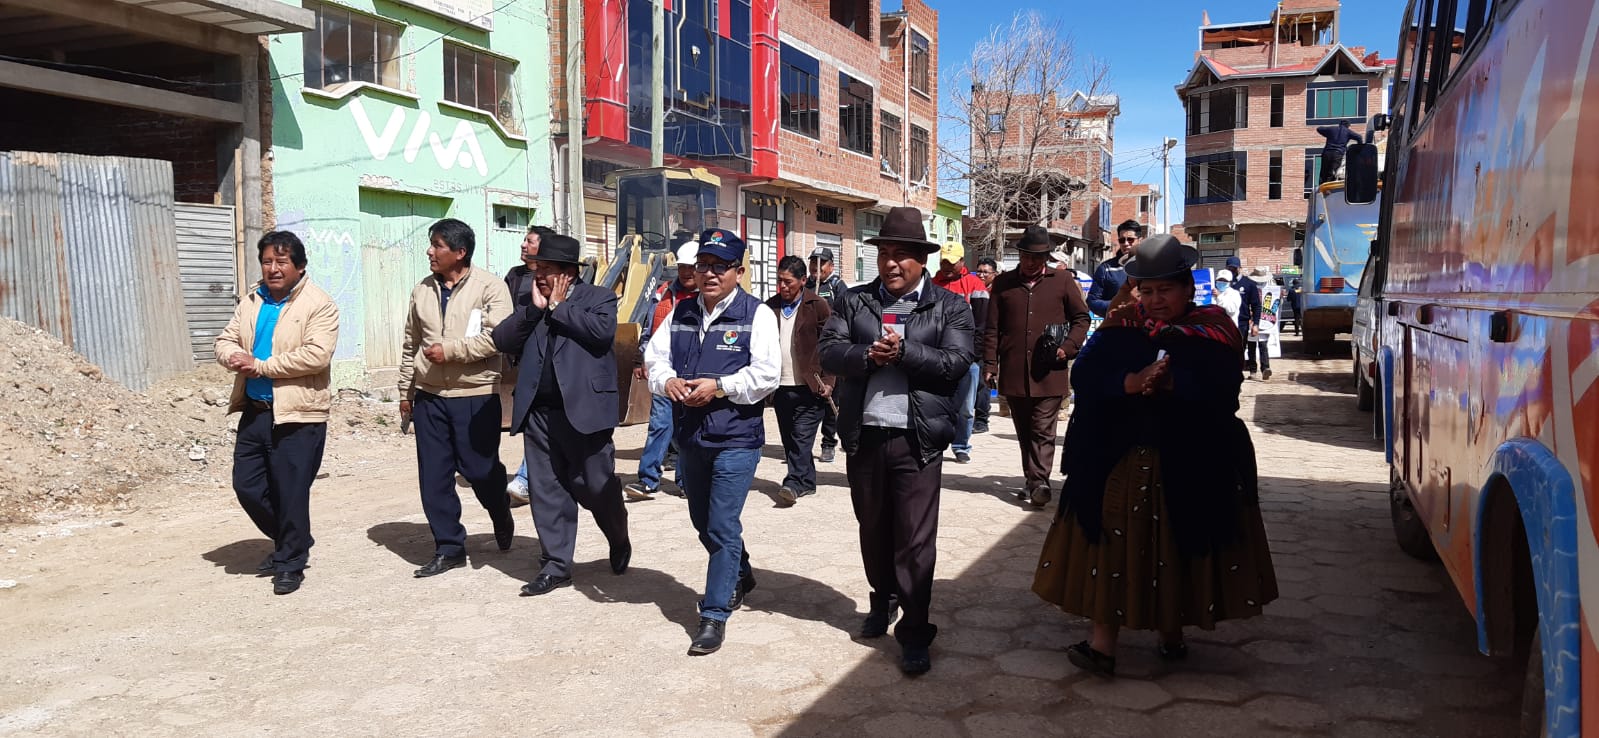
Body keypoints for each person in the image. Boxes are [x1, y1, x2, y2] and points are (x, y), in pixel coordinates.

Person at [1033, 234, 1278, 678]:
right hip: (1120, 459)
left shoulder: (1214, 329)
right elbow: (1086, 376)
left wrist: (1173, 386)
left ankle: (1172, 633)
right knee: (1111, 549)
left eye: (1165, 289)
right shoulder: (1122, 324)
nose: (1155, 299)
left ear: (1188, 288)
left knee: (1180, 544)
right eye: (1147, 290)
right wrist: (1131, 382)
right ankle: (1102, 645)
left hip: (1195, 460)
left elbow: (1226, 390)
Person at [819, 207, 976, 675]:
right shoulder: (854, 301)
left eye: (902, 255)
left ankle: (915, 629)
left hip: (918, 440)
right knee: (874, 528)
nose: (891, 263)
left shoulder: (950, 306)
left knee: (914, 539)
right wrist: (868, 353)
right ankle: (882, 600)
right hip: (865, 435)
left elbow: (958, 360)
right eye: (885, 253)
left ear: (922, 260)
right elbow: (828, 350)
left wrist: (906, 352)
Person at [645, 228, 780, 655]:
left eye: (719, 267)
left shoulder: (755, 314)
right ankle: (741, 571)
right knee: (703, 522)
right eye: (703, 265)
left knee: (722, 524)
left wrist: (719, 386)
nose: (709, 274)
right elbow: (654, 356)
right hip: (691, 437)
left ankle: (714, 614)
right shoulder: (681, 312)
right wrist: (665, 381)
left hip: (736, 438)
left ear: (739, 272)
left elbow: (766, 374)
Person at [491, 232, 631, 595]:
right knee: (546, 489)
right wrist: (536, 308)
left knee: (595, 486)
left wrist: (558, 307)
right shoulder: (531, 300)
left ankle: (618, 535)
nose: (538, 274)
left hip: (585, 413)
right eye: (536, 267)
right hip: (540, 413)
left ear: (569, 273)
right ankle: (556, 565)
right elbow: (503, 340)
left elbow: (601, 334)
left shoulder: (599, 298)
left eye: (547, 269)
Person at [215, 231, 341, 595]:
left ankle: (290, 562)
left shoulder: (319, 304)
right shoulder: (252, 300)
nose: (273, 269)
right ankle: (294, 538)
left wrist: (262, 366)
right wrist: (232, 357)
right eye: (267, 261)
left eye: (281, 262)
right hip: (255, 411)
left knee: (290, 491)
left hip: (299, 413)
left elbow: (317, 355)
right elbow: (225, 339)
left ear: (299, 266)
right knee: (247, 485)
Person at [398, 219, 516, 578]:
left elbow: (499, 337)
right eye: (431, 245)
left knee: (479, 470)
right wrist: (407, 390)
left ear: (460, 252)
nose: (430, 252)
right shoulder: (422, 290)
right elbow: (410, 344)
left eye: (437, 246)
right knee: (433, 477)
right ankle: (449, 547)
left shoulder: (491, 288)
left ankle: (499, 508)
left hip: (475, 395)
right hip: (431, 396)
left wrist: (449, 351)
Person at [984, 225, 1092, 507]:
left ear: (1046, 257)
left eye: (1038, 257)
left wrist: (1066, 348)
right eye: (1027, 256)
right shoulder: (1003, 283)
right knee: (1024, 431)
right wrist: (990, 365)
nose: (1032, 262)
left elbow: (1082, 319)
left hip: (1050, 370)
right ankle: (1033, 481)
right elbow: (992, 328)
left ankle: (1040, 482)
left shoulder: (1063, 281)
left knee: (1043, 428)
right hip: (1015, 370)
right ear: (1019, 254)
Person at [625, 241, 700, 500]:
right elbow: (649, 328)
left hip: (693, 372)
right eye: (682, 268)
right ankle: (648, 479)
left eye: (691, 268)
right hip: (664, 370)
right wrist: (640, 359)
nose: (686, 273)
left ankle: (686, 481)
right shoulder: (663, 293)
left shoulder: (707, 298)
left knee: (686, 429)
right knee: (659, 425)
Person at [766, 255, 833, 506]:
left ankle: (793, 482)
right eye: (779, 281)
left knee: (802, 437)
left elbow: (832, 346)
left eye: (788, 282)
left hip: (811, 386)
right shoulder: (769, 307)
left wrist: (829, 381)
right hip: (781, 387)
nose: (782, 287)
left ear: (803, 280)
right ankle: (808, 481)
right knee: (789, 438)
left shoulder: (818, 306)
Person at [504, 225, 557, 506]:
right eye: (524, 240)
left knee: (539, 415)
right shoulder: (514, 276)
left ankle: (526, 478)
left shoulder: (556, 278)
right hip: (523, 354)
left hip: (547, 356)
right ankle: (533, 475)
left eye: (531, 241)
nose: (524, 245)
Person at [931, 241, 989, 464]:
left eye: (952, 263)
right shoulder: (932, 284)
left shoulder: (975, 285)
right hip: (936, 355)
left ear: (962, 262)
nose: (947, 266)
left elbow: (983, 324)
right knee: (934, 403)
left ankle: (961, 445)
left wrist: (974, 355)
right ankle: (933, 443)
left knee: (965, 407)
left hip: (966, 358)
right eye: (944, 261)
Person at [807, 246, 849, 463]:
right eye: (813, 262)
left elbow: (845, 316)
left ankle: (828, 443)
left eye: (821, 263)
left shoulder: (837, 287)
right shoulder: (806, 285)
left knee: (830, 398)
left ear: (831, 266)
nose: (816, 267)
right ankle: (803, 444)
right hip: (808, 352)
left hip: (831, 350)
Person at [1086, 220, 1142, 317]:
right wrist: (1117, 306)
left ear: (1140, 240)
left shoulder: (1150, 267)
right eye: (1122, 240)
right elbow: (1092, 301)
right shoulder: (1106, 268)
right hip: (1116, 325)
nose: (1125, 243)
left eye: (1130, 239)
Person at [1225, 256, 1266, 379]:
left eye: (1234, 268)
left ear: (1239, 268)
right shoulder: (1223, 283)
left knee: (1240, 348)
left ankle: (1236, 373)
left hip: (1242, 322)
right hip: (1225, 321)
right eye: (1229, 268)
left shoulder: (1249, 284)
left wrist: (1256, 324)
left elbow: (1256, 306)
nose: (1232, 270)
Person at [972, 257, 1000, 433]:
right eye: (979, 271)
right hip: (975, 339)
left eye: (985, 272)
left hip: (993, 341)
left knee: (985, 381)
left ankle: (982, 419)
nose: (981, 275)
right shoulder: (973, 288)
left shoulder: (998, 292)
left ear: (994, 274)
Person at [1245, 267, 1275, 380]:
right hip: (1252, 320)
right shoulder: (1250, 286)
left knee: (1263, 346)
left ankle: (1265, 368)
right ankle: (1253, 369)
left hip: (1265, 320)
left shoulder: (1271, 286)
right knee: (1251, 346)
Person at [1316, 120, 1363, 185]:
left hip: (1327, 153)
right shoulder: (1348, 132)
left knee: (1324, 171)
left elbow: (1319, 129)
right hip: (1338, 154)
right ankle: (1329, 187)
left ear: (1340, 124)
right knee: (1333, 172)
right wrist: (1359, 148)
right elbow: (1359, 137)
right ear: (1347, 125)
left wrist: (1327, 134)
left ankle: (1321, 187)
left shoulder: (1331, 129)